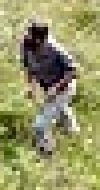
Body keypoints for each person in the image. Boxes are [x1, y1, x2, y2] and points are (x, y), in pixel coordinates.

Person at [19, 20, 79, 157]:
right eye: (28, 35)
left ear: (42, 40)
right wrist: (31, 87)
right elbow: (28, 67)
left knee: (40, 125)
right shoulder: (25, 45)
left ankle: (46, 151)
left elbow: (73, 71)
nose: (28, 38)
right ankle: (73, 134)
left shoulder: (55, 50)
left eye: (32, 37)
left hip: (64, 88)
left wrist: (56, 89)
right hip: (48, 86)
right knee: (61, 111)